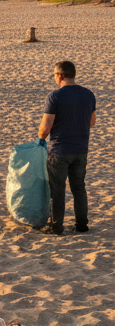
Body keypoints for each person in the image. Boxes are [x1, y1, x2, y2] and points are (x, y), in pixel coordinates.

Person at [38, 61, 96, 235]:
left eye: (55, 75)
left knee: (57, 189)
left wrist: (40, 138)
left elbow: (45, 128)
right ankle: (81, 224)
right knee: (79, 187)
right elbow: (92, 122)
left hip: (60, 151)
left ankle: (57, 226)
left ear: (60, 76)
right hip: (81, 149)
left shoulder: (54, 96)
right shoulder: (88, 95)